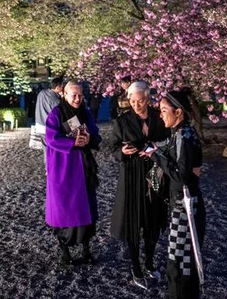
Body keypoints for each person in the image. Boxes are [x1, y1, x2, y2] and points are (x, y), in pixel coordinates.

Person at [109, 81, 170, 289]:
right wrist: (122, 152)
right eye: (133, 101)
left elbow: (168, 141)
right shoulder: (122, 121)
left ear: (148, 98)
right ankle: (136, 267)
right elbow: (113, 147)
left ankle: (150, 263)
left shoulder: (159, 117)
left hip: (155, 172)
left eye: (141, 101)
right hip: (132, 175)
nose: (136, 105)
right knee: (134, 222)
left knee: (153, 220)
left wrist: (156, 149)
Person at [146, 89, 204, 299]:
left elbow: (181, 174)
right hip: (181, 202)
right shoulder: (180, 132)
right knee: (179, 259)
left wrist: (155, 155)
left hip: (185, 206)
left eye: (164, 110)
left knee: (180, 261)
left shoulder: (184, 135)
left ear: (178, 112)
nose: (160, 115)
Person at [45, 80, 102, 265]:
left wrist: (89, 139)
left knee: (86, 207)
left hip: (84, 166)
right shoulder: (56, 113)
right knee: (64, 208)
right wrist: (72, 142)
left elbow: (95, 134)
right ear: (64, 95)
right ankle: (65, 253)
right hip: (63, 166)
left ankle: (86, 249)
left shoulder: (86, 112)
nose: (77, 99)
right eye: (74, 95)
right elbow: (50, 138)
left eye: (80, 95)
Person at [30, 77, 65, 151]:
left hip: (39, 125)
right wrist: (62, 97)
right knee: (51, 150)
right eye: (62, 86)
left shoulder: (41, 93)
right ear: (58, 87)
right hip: (49, 128)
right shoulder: (56, 101)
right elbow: (60, 114)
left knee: (45, 148)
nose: (63, 89)